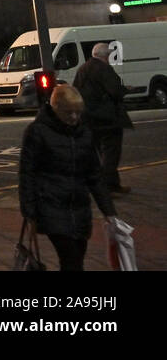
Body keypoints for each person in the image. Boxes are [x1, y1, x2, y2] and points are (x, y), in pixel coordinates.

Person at [20, 84, 117, 272]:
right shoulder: (38, 132)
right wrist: (29, 212)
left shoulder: (84, 134)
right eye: (68, 113)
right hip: (51, 206)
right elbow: (27, 174)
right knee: (70, 258)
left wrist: (108, 210)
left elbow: (94, 175)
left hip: (79, 208)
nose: (74, 118)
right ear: (55, 109)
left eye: (77, 113)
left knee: (77, 259)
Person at [73, 42, 133, 194]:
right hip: (107, 118)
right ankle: (107, 186)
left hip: (88, 118)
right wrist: (125, 89)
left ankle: (113, 184)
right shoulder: (104, 69)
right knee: (112, 153)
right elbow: (114, 91)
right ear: (106, 56)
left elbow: (76, 91)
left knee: (100, 152)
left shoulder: (82, 69)